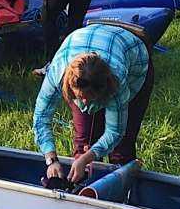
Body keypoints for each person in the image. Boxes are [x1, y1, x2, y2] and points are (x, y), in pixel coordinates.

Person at [35, 22, 154, 184]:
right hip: (87, 42)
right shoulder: (58, 72)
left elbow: (115, 132)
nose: (84, 103)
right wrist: (51, 159)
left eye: (91, 98)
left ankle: (123, 194)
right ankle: (81, 188)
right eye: (80, 96)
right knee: (83, 143)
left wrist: (88, 157)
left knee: (121, 151)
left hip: (134, 58)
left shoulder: (116, 80)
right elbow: (41, 118)